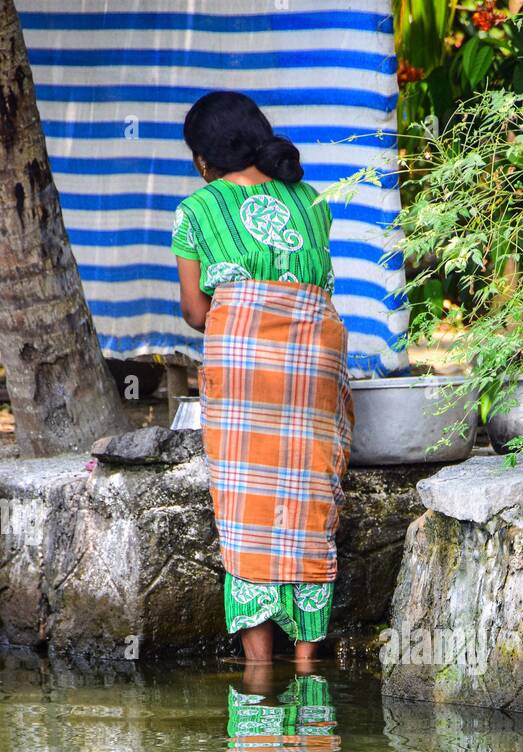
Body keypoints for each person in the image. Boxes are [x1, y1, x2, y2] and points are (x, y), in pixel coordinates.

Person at [172, 91, 352, 669]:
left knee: (246, 507)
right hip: (314, 364)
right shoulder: (311, 200)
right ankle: (307, 663)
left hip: (246, 368)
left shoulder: (197, 210)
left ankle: (258, 668)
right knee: (308, 501)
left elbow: (199, 315)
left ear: (205, 161)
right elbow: (320, 287)